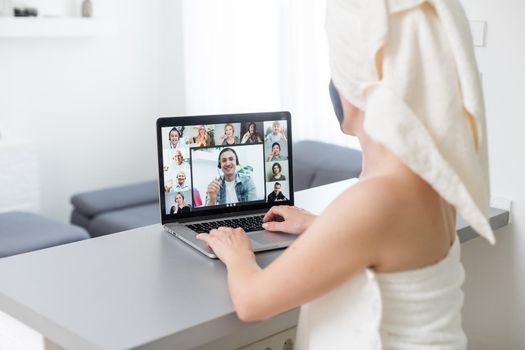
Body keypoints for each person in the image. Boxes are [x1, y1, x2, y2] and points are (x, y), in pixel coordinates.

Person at [197, 1, 495, 349]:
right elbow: (388, 242)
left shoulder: (378, 198)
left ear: (353, 94)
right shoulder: (434, 176)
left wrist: (237, 253)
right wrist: (317, 224)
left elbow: (252, 303)